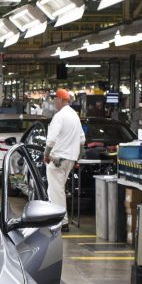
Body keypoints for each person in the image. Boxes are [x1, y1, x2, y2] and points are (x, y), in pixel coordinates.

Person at [43, 88, 85, 231]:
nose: (54, 102)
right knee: (58, 189)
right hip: (70, 159)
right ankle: (59, 220)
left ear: (61, 100)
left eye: (55, 99)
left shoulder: (60, 116)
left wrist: (46, 154)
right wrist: (77, 158)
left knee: (56, 190)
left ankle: (62, 222)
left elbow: (51, 140)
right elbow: (82, 140)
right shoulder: (74, 115)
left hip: (58, 159)